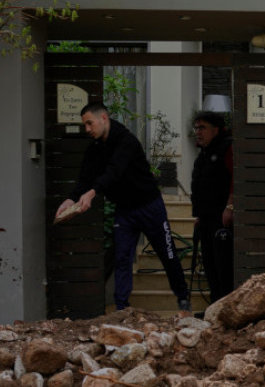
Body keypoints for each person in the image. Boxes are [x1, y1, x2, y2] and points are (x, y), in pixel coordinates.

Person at [55, 101, 192, 315]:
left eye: (90, 123)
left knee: (167, 253)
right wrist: (70, 200)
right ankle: (121, 308)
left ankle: (183, 299)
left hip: (150, 206)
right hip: (125, 211)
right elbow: (85, 179)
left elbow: (114, 171)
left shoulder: (127, 141)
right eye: (84, 125)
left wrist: (93, 193)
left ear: (104, 118)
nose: (87, 129)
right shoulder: (94, 149)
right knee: (122, 257)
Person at [190, 110, 234, 303]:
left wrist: (230, 206)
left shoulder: (227, 147)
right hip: (206, 218)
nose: (198, 132)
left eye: (203, 128)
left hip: (221, 219)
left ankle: (226, 306)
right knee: (209, 266)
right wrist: (199, 215)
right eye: (196, 128)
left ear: (216, 129)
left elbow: (235, 178)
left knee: (223, 266)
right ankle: (215, 308)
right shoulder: (203, 153)